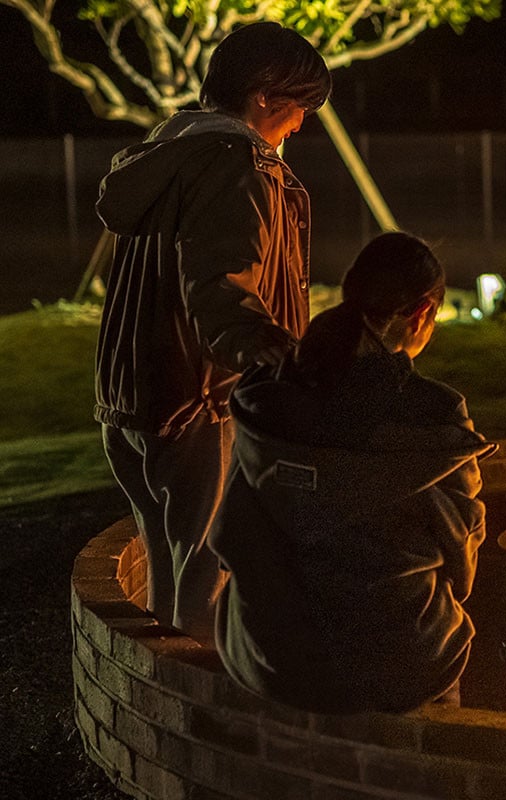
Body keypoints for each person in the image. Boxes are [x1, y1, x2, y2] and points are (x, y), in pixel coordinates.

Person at [93, 21, 331, 642]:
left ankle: (160, 705)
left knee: (169, 578)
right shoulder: (235, 164)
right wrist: (287, 368)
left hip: (135, 397)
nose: (301, 125)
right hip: (203, 399)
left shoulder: (170, 152)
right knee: (207, 584)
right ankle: (205, 718)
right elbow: (223, 289)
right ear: (264, 97)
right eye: (300, 108)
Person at [209, 233, 496, 713]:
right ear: (423, 312)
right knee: (438, 636)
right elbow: (463, 555)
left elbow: (234, 524)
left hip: (269, 655)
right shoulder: (433, 413)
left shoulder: (267, 397)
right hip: (397, 663)